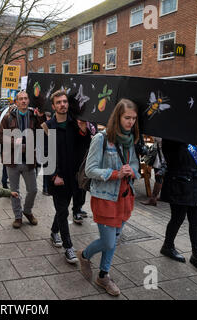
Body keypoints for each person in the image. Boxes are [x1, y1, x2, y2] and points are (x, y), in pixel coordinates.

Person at [78, 98, 140, 297]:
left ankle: (103, 275)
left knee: (115, 238)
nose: (131, 122)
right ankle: (85, 255)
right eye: (127, 118)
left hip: (124, 196)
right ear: (117, 117)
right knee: (109, 242)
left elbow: (136, 166)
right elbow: (90, 170)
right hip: (105, 197)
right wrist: (115, 173)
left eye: (134, 118)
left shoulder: (131, 139)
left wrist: (133, 171)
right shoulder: (101, 138)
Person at [42, 90, 92, 264]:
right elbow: (44, 155)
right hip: (58, 178)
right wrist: (54, 175)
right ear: (54, 106)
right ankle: (68, 247)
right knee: (63, 211)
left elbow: (86, 147)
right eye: (59, 102)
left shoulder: (75, 124)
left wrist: (84, 131)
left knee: (62, 209)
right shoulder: (47, 127)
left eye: (65, 101)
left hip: (75, 177)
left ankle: (54, 231)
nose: (62, 104)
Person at [159, 139, 197, 274]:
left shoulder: (196, 141)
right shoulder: (172, 140)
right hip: (180, 187)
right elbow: (171, 161)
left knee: (196, 223)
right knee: (177, 218)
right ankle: (168, 246)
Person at [0, 90, 46, 229]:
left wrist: (41, 118)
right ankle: (18, 216)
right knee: (15, 191)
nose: (23, 101)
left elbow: (43, 132)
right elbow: (1, 137)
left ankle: (27, 211)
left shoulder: (34, 116)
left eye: (26, 98)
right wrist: (15, 142)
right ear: (16, 102)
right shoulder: (8, 118)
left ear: (28, 101)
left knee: (33, 190)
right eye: (20, 99)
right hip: (12, 159)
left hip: (29, 159)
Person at [141, 137, 166, 206]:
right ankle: (163, 196)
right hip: (163, 156)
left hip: (161, 157)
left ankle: (153, 199)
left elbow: (157, 139)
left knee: (158, 178)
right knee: (162, 178)